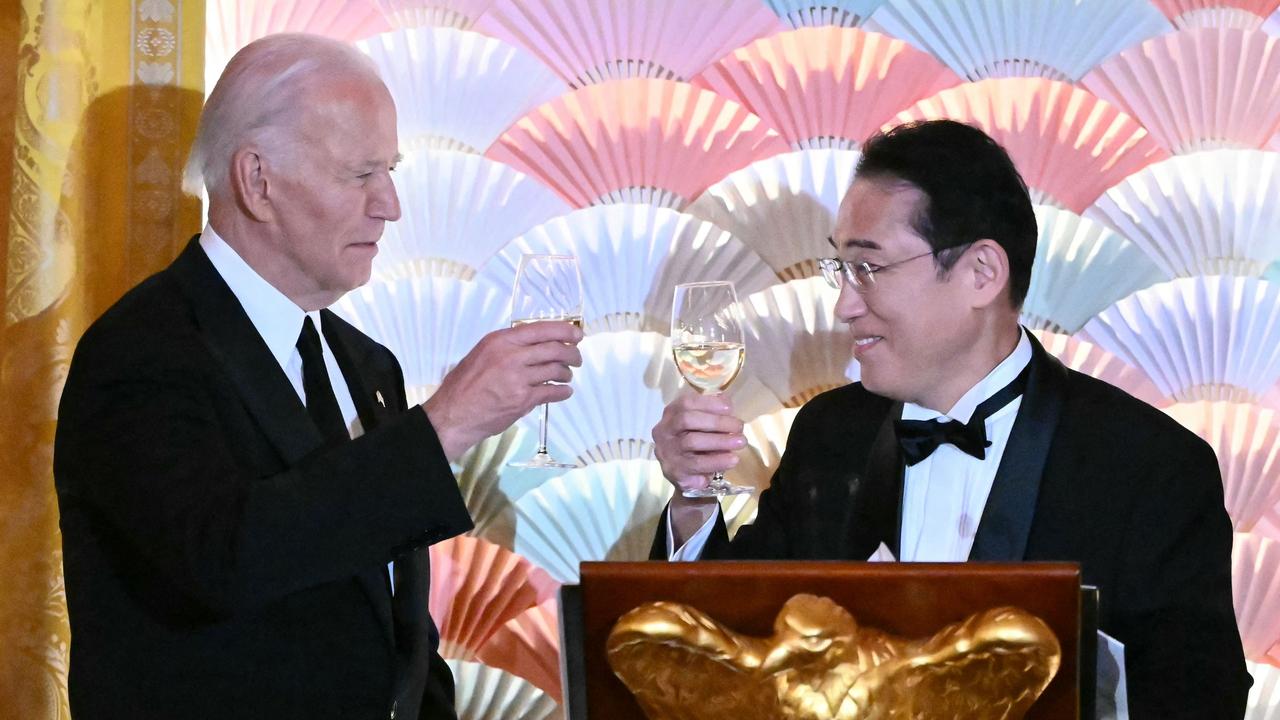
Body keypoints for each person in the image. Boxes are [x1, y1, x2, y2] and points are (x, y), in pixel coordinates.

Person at [53, 33, 583, 720]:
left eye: (389, 172)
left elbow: (395, 629)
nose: (390, 205)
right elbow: (225, 561)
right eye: (361, 175)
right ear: (257, 180)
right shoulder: (141, 353)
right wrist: (443, 426)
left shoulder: (367, 364)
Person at [649, 119, 1250, 718]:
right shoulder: (829, 434)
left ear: (981, 273)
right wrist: (694, 496)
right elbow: (726, 645)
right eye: (841, 269)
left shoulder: (1149, 464)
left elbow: (1199, 696)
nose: (844, 306)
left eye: (869, 268)